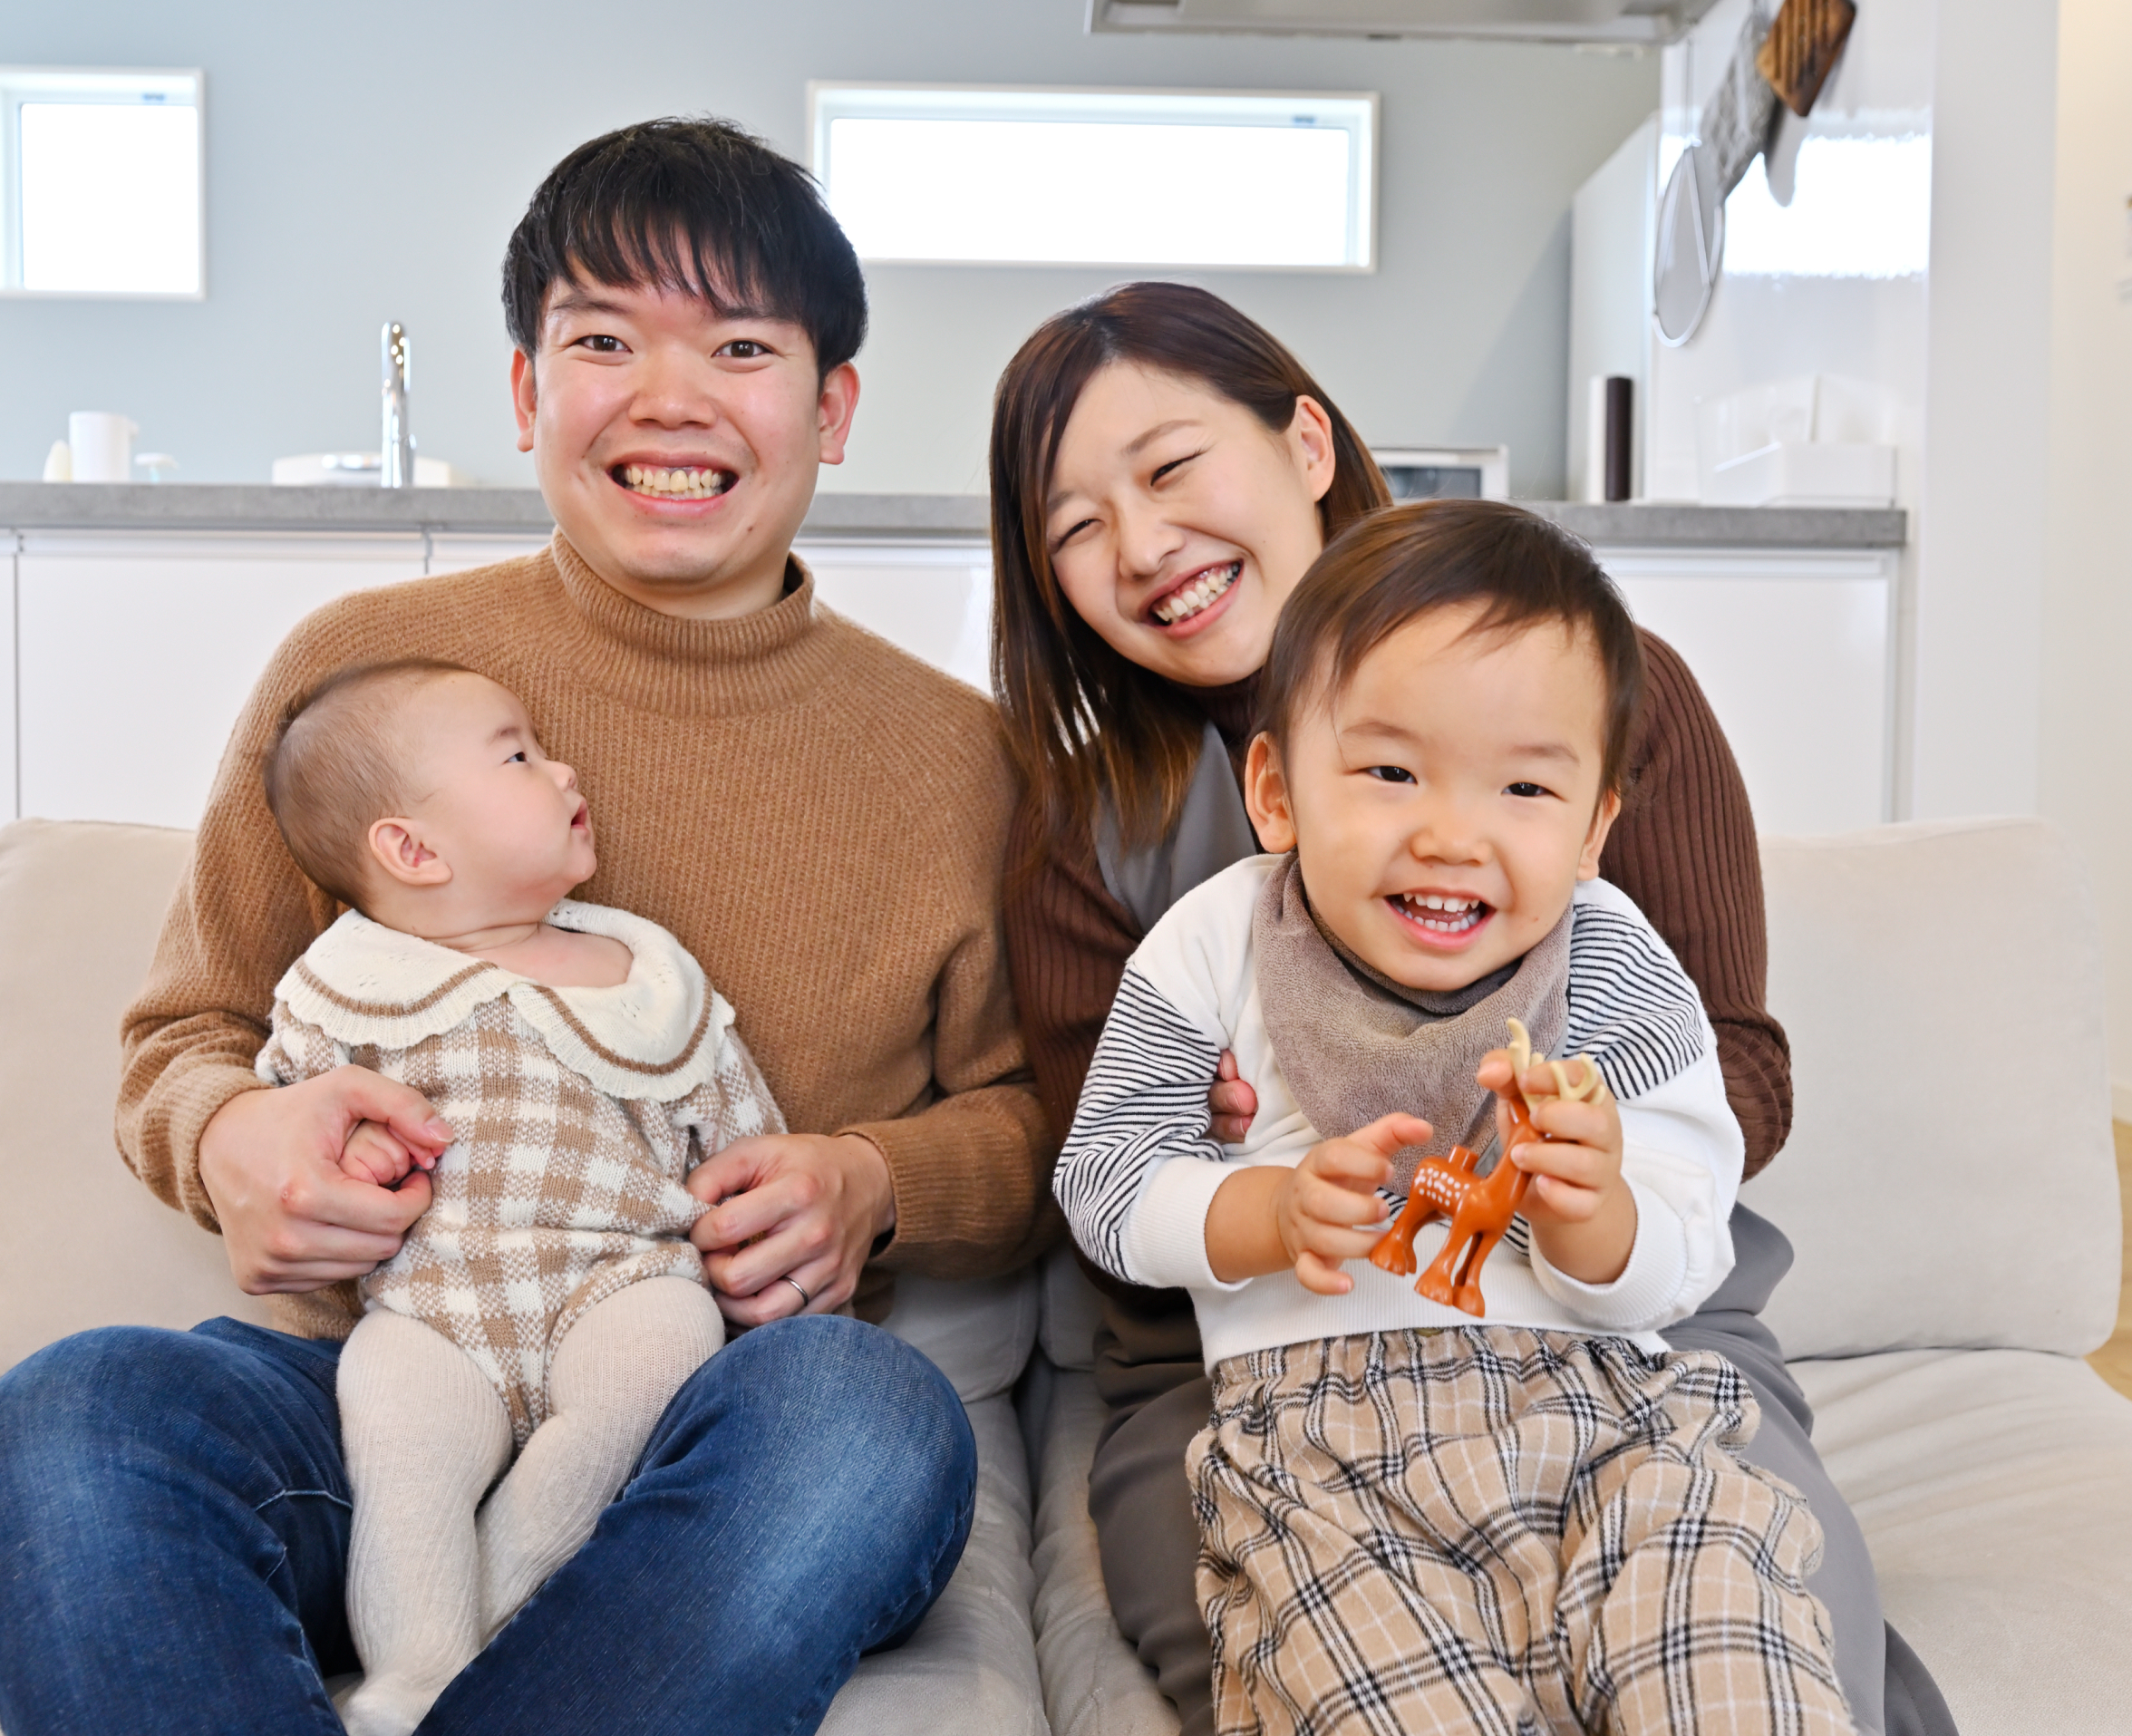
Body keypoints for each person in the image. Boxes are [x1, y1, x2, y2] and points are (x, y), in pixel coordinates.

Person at [0, 118, 1051, 1736]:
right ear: (523, 391)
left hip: (710, 1412)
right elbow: (185, 1038)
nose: (669, 398)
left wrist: (875, 1181)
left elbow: (1036, 1128)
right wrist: (237, 1141)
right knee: (76, 1415)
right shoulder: (361, 667)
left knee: (864, 1414)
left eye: (742, 346)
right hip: (373, 1383)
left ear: (831, 407)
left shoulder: (955, 758)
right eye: (603, 340)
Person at [991, 282, 1952, 1736]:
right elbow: (1110, 1170)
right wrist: (1248, 1169)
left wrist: (1586, 1172)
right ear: (1273, 797)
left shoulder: (1594, 703)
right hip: (1275, 1372)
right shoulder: (1121, 848)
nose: (1140, 545)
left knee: (1774, 1639)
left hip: (1627, 1338)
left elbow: (1726, 1070)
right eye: (1074, 524)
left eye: (1172, 467)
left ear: (1305, 443)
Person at [257, 660, 788, 1736]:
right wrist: (346, 1152)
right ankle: (411, 1678)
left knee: (659, 1353)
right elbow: (288, 1123)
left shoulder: (643, 973)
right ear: (412, 849)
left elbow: (741, 1127)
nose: (563, 766)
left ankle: (498, 1614)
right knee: (402, 1451)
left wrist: (772, 1204)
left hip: (616, 1279)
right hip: (433, 1307)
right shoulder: (356, 981)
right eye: (517, 756)